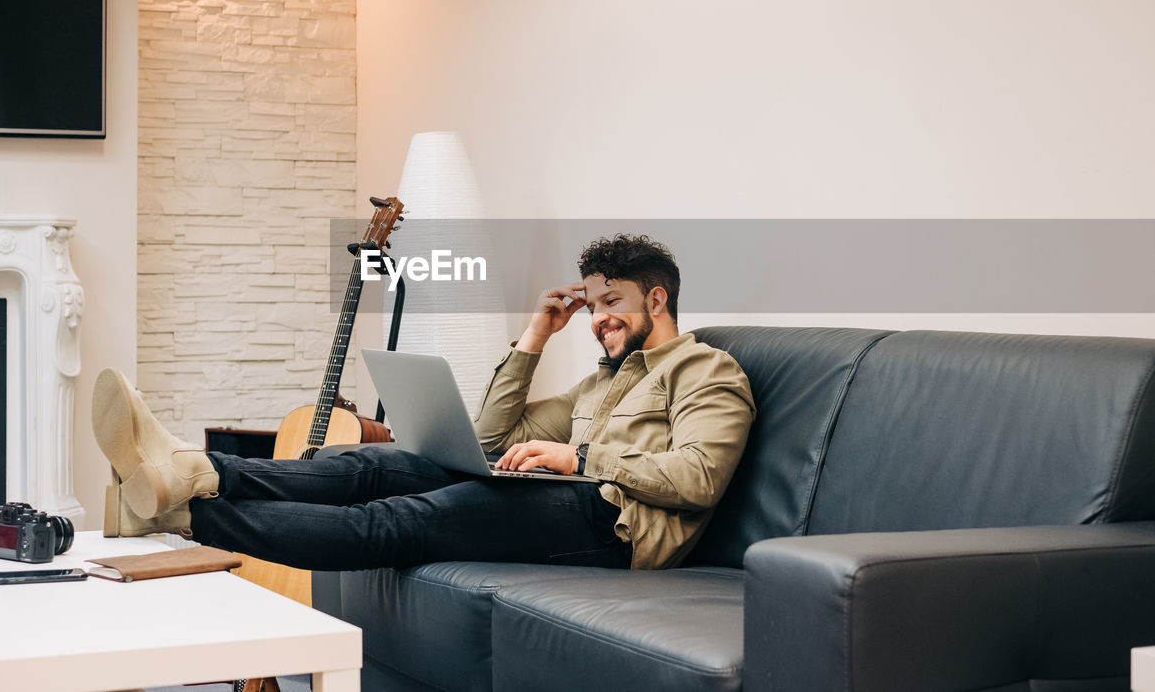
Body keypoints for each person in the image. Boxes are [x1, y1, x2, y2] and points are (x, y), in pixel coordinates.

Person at [93, 234, 755, 571]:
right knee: (369, 466)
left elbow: (698, 478)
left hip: (613, 526)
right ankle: (192, 471)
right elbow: (491, 437)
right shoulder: (601, 383)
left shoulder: (707, 370)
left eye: (611, 302)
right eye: (593, 305)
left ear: (657, 299)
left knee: (399, 517)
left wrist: (576, 452)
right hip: (566, 497)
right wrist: (534, 335)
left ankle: (182, 520)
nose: (598, 319)